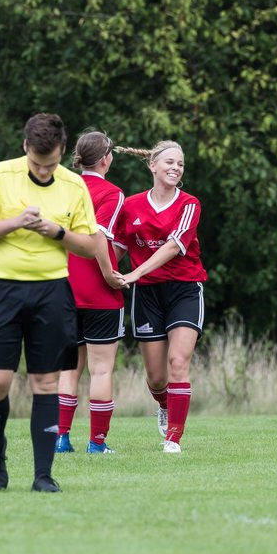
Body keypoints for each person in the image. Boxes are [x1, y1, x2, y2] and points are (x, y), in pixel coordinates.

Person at [0, 113, 101, 492]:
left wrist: (57, 232)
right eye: (38, 164)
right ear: (25, 147)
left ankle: (43, 475)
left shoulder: (75, 187)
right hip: (0, 289)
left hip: (52, 292)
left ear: (62, 153)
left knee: (46, 381)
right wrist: (14, 222)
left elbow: (91, 247)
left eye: (52, 164)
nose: (44, 172)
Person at [113, 140, 207, 453]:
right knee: (156, 379)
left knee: (178, 362)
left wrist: (134, 273)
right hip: (147, 295)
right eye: (169, 162)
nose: (175, 168)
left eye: (180, 164)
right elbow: (119, 249)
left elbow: (172, 246)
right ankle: (165, 405)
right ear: (152, 166)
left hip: (184, 290)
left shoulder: (189, 204)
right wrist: (97, 266)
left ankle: (173, 439)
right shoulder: (130, 205)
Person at [55, 129, 128, 455]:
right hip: (98, 293)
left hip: (64, 288)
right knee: (101, 369)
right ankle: (97, 443)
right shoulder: (112, 193)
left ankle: (61, 438)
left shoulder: (63, 187)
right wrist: (109, 274)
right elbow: (99, 237)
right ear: (105, 159)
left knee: (69, 368)